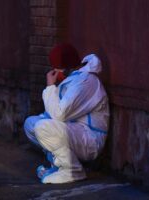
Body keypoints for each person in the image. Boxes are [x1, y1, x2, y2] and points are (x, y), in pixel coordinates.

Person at [24, 43, 109, 184]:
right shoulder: (75, 79)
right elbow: (54, 114)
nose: (55, 73)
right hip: (75, 131)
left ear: (64, 68)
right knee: (31, 124)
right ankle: (58, 165)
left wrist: (51, 87)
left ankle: (72, 170)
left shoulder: (86, 82)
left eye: (56, 69)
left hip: (90, 138)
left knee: (43, 128)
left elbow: (59, 115)